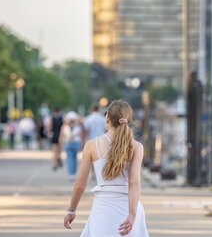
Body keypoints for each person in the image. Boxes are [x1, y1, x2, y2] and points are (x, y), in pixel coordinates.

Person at [64, 100, 148, 236]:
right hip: (128, 208)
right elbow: (134, 184)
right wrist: (132, 215)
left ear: (107, 117)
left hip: (103, 209)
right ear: (128, 120)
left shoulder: (91, 146)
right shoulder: (136, 147)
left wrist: (71, 211)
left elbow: (79, 186)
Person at [59, 111, 85, 181]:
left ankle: (71, 174)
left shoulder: (64, 126)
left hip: (69, 144)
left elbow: (61, 137)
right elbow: (81, 137)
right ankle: (73, 174)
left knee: (70, 159)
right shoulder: (78, 127)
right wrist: (82, 146)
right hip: (75, 144)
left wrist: (61, 146)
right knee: (73, 159)